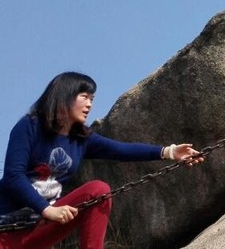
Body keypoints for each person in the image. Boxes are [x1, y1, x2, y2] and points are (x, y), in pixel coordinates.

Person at [0, 71, 204, 249]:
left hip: (41, 227)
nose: (90, 104)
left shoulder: (81, 139)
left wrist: (169, 152)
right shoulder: (30, 126)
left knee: (98, 190)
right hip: (6, 230)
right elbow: (13, 176)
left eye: (93, 99)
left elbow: (121, 150)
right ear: (65, 95)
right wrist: (48, 210)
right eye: (85, 96)